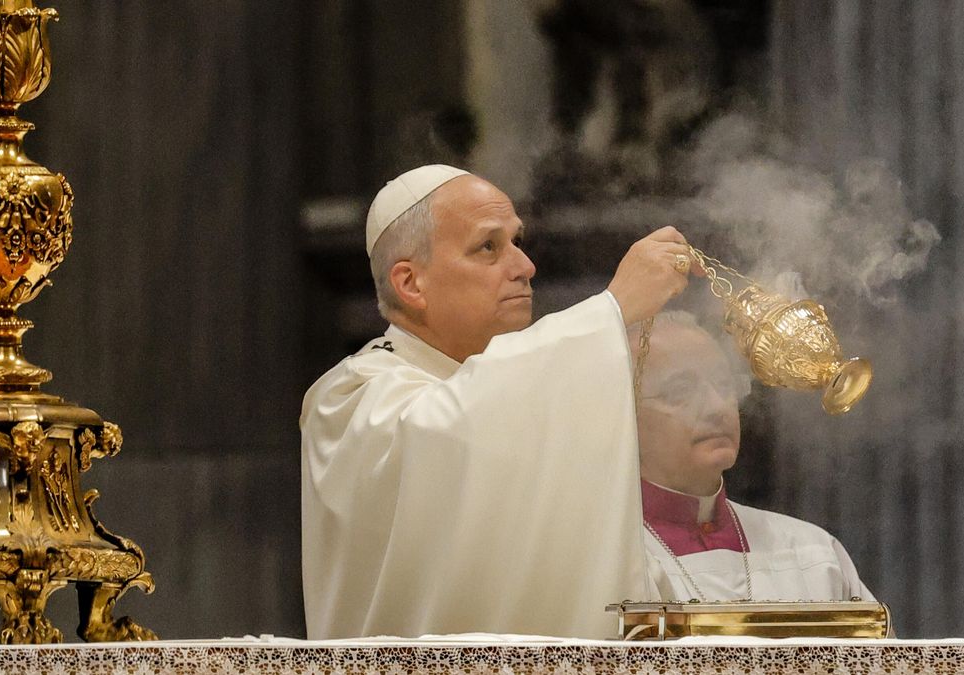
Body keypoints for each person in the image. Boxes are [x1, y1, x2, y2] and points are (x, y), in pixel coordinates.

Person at [300, 164, 703, 639]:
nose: (524, 266)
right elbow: (445, 433)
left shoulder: (527, 391)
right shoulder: (349, 400)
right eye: (488, 247)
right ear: (412, 284)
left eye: (517, 242)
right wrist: (611, 310)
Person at [632, 311, 873, 602]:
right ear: (624, 414)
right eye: (681, 390)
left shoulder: (815, 555)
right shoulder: (608, 564)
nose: (716, 407)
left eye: (724, 385)